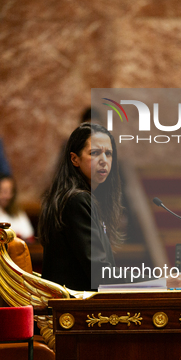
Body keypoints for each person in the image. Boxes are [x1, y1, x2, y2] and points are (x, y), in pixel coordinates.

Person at [39, 123, 122, 291]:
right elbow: (101, 275)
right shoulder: (76, 200)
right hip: (75, 310)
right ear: (74, 159)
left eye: (108, 153)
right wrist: (159, 279)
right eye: (95, 153)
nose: (104, 160)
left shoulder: (83, 198)